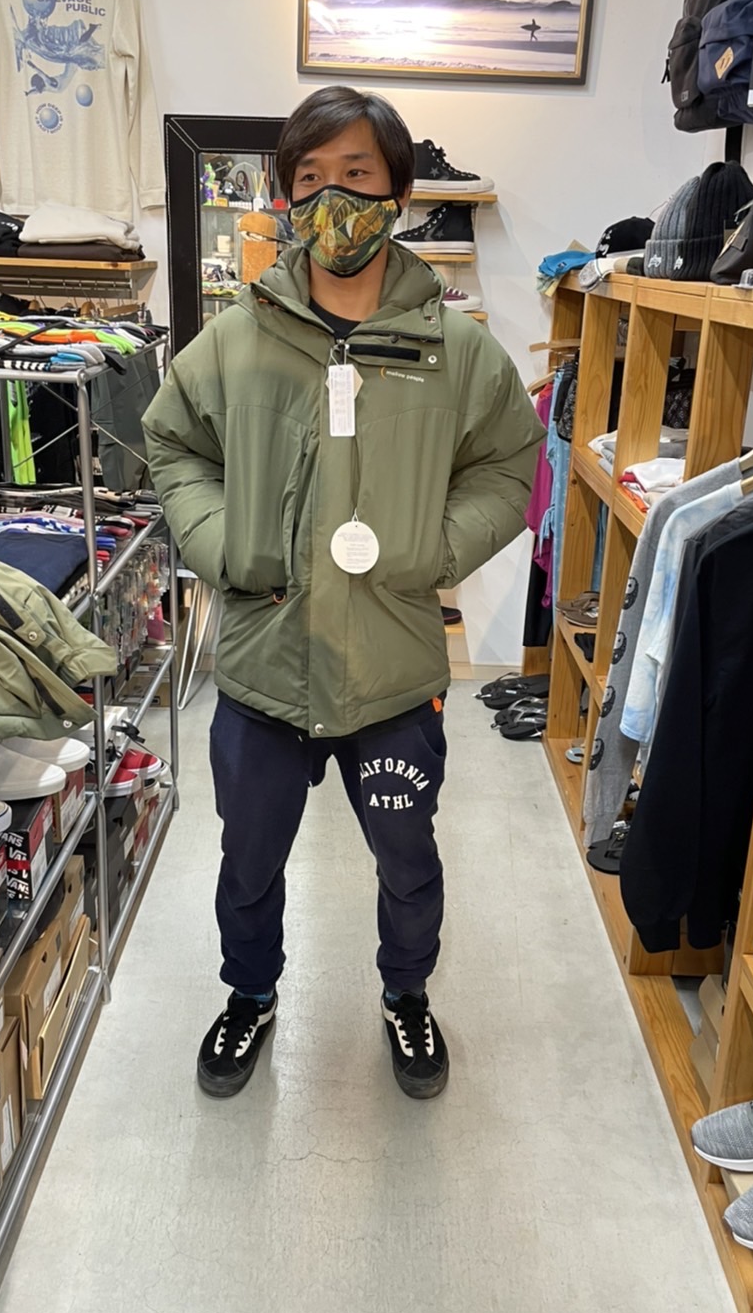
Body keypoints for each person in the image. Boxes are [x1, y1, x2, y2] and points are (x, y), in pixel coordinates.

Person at [143, 86, 543, 1102]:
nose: (333, 201)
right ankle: (250, 994)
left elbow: (512, 464)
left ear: (398, 193)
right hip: (263, 668)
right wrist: (221, 543)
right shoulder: (236, 341)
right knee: (249, 859)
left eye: (356, 175)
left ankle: (407, 994)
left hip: (391, 674)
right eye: (310, 178)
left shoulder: (454, 351)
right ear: (285, 195)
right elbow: (172, 443)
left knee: (407, 856)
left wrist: (432, 549)